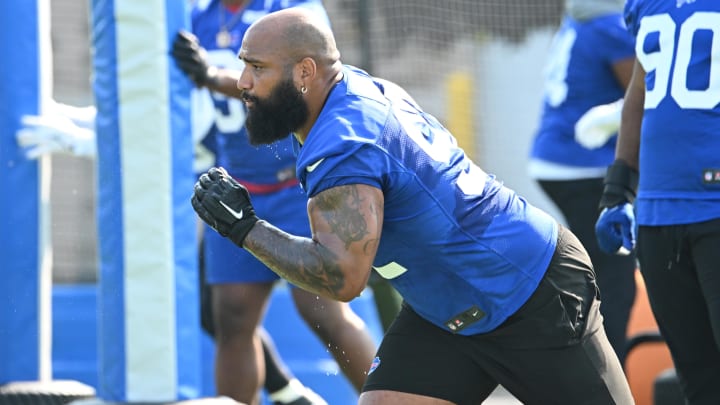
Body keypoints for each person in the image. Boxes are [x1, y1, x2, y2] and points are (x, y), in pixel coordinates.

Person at [190, 8, 635, 404]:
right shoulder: (349, 87)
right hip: (446, 307)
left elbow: (342, 277)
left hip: (525, 290)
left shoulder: (344, 145)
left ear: (305, 72)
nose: (243, 83)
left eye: (256, 68)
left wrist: (245, 228)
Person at [171, 1, 377, 404]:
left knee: (323, 312)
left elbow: (296, 84)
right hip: (238, 182)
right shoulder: (196, 14)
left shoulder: (292, 10)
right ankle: (281, 394)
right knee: (230, 316)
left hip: (296, 185)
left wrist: (213, 77)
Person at [594, 0, 720, 403]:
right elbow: (641, 87)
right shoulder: (646, 4)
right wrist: (619, 187)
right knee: (697, 376)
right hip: (657, 213)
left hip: (715, 209)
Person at [527, 0, 637, 364]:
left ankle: (582, 368)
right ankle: (603, 376)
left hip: (559, 158)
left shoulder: (581, 21)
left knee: (594, 274)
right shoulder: (609, 25)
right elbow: (642, 93)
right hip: (582, 163)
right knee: (615, 279)